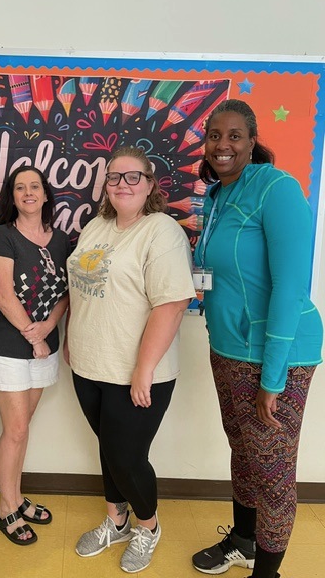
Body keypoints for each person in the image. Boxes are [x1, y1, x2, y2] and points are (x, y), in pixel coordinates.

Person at [192, 99, 323, 578]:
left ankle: (267, 573)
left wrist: (273, 377)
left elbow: (290, 287)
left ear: (252, 142)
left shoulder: (277, 189)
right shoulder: (215, 196)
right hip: (227, 348)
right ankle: (244, 541)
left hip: (277, 355)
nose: (222, 145)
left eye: (234, 136)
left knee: (273, 472)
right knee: (244, 452)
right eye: (214, 135)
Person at [65, 146, 195, 573]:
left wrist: (144, 370)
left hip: (137, 371)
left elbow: (171, 304)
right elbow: (82, 289)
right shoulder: (96, 227)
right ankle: (116, 521)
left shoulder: (161, 231)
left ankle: (147, 526)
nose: (123, 184)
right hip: (89, 363)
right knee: (109, 449)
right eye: (114, 177)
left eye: (133, 176)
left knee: (126, 457)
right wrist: (71, 337)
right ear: (105, 185)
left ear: (150, 184)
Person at [0, 166, 70, 546]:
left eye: (35, 186)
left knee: (23, 427)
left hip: (45, 345)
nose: (28, 192)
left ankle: (15, 498)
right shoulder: (3, 235)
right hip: (7, 347)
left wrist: (48, 327)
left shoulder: (61, 239)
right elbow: (2, 293)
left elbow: (67, 293)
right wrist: (34, 336)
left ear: (46, 194)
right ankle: (6, 508)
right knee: (15, 430)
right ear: (12, 197)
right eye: (20, 188)